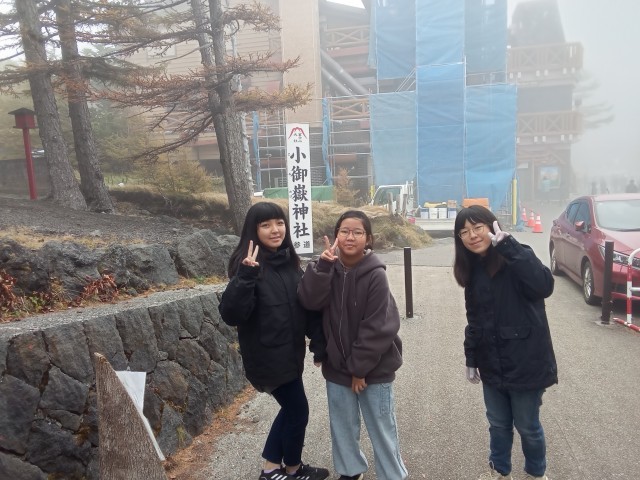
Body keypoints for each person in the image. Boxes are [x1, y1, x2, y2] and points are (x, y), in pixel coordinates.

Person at [218, 202, 329, 480]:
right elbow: (232, 315)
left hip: (290, 355)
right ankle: (289, 469)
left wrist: (318, 345)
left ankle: (275, 468)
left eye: (279, 223)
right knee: (298, 410)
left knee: (292, 410)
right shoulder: (248, 266)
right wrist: (246, 275)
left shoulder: (289, 264)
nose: (275, 230)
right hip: (266, 357)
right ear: (253, 231)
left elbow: (306, 308)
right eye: (265, 225)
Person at [298, 210, 408, 480]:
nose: (350, 237)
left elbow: (378, 327)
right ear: (336, 235)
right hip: (337, 367)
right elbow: (309, 301)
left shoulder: (375, 275)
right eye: (345, 231)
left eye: (357, 232)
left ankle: (392, 475)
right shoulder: (324, 267)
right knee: (342, 426)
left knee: (382, 427)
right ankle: (350, 470)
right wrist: (323, 268)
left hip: (375, 369)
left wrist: (359, 369)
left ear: (367, 239)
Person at [453, 205, 557, 480]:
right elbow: (474, 319)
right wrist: (471, 357)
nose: (472, 235)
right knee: (498, 424)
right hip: (491, 362)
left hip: (526, 362)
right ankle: (499, 470)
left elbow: (544, 285)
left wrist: (510, 247)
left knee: (528, 426)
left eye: (477, 227)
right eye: (464, 232)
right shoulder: (472, 270)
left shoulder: (517, 256)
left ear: (492, 226)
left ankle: (536, 473)